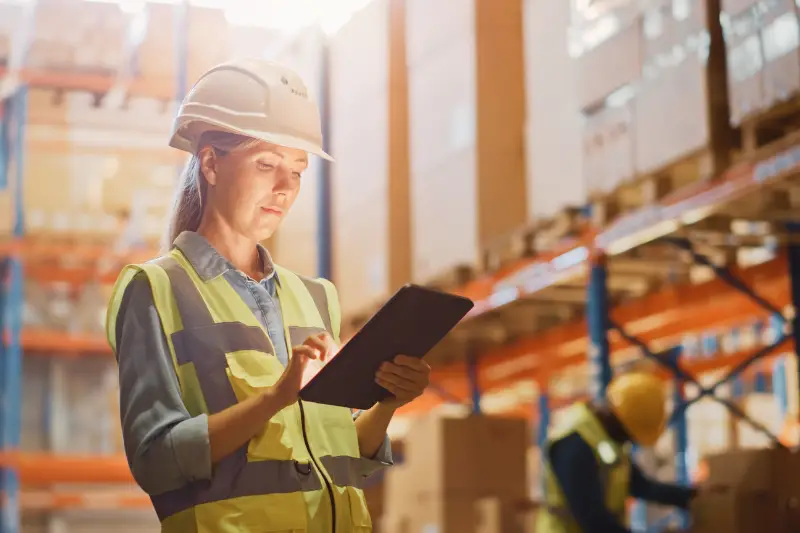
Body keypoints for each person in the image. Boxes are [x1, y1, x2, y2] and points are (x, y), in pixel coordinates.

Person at [105, 58, 431, 533]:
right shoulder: (156, 290)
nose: (285, 188)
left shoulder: (317, 298)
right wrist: (273, 399)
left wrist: (388, 401)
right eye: (267, 165)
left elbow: (340, 456)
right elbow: (156, 460)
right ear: (211, 163)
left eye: (297, 172)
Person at [536, 371, 698, 533]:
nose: (629, 441)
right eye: (629, 435)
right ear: (620, 422)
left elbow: (641, 486)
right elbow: (593, 519)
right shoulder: (573, 444)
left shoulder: (607, 440)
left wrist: (692, 497)